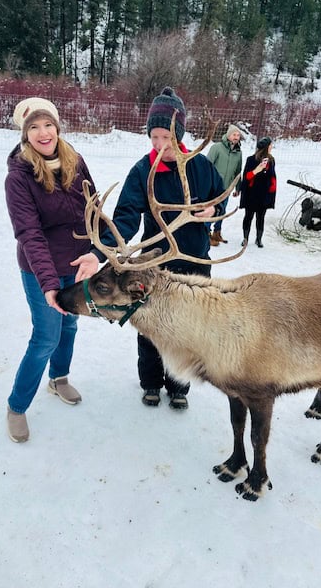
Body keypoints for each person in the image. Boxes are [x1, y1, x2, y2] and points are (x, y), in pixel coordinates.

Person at [72, 87, 225, 410]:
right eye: (154, 137)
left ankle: (179, 385)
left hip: (195, 262)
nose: (159, 145)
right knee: (150, 325)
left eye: (166, 136)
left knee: (189, 328)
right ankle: (152, 383)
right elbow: (126, 219)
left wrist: (212, 212)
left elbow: (220, 195)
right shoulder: (142, 171)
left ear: (179, 133)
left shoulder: (200, 166)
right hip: (155, 265)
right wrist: (99, 254)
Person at [4, 97, 97, 443]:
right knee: (46, 337)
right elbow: (30, 233)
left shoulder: (76, 161)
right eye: (34, 127)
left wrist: (96, 252)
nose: (43, 133)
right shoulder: (19, 178)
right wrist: (48, 283)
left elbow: (93, 207)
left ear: (57, 127)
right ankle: (16, 406)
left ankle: (59, 379)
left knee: (70, 325)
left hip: (76, 265)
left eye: (48, 125)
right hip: (39, 269)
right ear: (25, 135)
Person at [206, 124, 242, 245]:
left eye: (238, 135)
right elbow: (207, 166)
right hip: (213, 187)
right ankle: (206, 233)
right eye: (234, 134)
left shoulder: (238, 153)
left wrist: (238, 188)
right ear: (228, 135)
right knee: (211, 210)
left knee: (222, 211)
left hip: (227, 188)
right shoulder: (217, 148)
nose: (236, 137)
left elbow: (238, 172)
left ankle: (217, 233)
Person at [239, 136, 277, 248]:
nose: (272, 147)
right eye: (270, 145)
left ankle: (258, 239)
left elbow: (272, 176)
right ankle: (245, 238)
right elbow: (246, 177)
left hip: (264, 194)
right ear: (266, 147)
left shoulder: (271, 160)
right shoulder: (251, 160)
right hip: (252, 193)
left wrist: (272, 189)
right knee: (248, 216)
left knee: (261, 217)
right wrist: (257, 170)